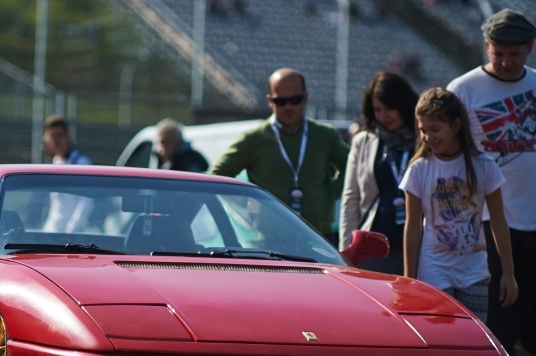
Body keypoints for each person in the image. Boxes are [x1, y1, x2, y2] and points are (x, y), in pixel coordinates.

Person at [447, 9, 536, 356]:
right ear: (486, 47)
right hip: (486, 225)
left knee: (518, 323)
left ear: (529, 49)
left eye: (515, 54)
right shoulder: (464, 90)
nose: (507, 62)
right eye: (499, 53)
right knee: (496, 324)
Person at [401, 88, 517, 323]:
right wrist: (408, 279)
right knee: (440, 335)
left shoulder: (484, 166)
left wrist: (508, 273)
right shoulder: (419, 169)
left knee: (474, 337)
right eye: (423, 130)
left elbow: (497, 221)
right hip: (435, 269)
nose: (428, 137)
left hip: (473, 271)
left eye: (435, 129)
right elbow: (413, 227)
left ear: (456, 125)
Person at [212, 68, 350, 240]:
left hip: (319, 237)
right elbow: (218, 174)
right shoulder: (254, 139)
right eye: (281, 101)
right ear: (269, 101)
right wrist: (247, 202)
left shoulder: (324, 135)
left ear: (305, 98)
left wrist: (330, 194)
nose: (288, 107)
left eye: (295, 100)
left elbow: (352, 165)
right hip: (272, 240)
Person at [340, 72, 419, 274]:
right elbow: (351, 198)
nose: (384, 116)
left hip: (419, 249)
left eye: (389, 108)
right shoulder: (364, 141)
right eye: (377, 110)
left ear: (403, 105)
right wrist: (345, 252)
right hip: (374, 251)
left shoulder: (425, 139)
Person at [40, 115, 93, 232]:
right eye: (52, 136)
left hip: (69, 236)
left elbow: (86, 201)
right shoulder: (56, 161)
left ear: (68, 136)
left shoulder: (81, 163)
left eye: (59, 136)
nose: (55, 141)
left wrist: (72, 229)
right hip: (52, 230)